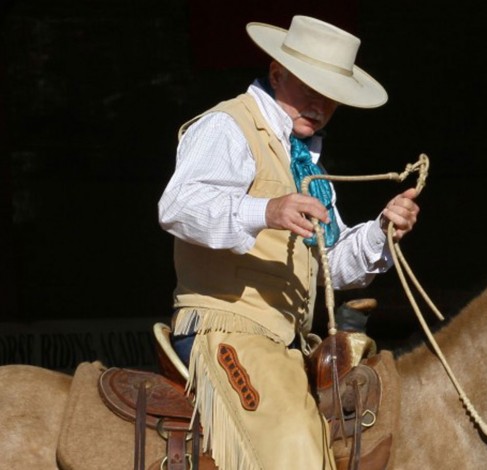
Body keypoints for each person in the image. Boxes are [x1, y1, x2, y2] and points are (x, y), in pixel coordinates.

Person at [157, 15, 420, 470]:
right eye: (309, 88)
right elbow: (178, 207)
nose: (320, 105)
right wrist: (267, 209)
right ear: (276, 74)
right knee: (296, 450)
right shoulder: (229, 125)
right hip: (225, 329)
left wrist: (381, 231)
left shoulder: (305, 162)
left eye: (332, 97)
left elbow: (330, 268)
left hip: (285, 340)